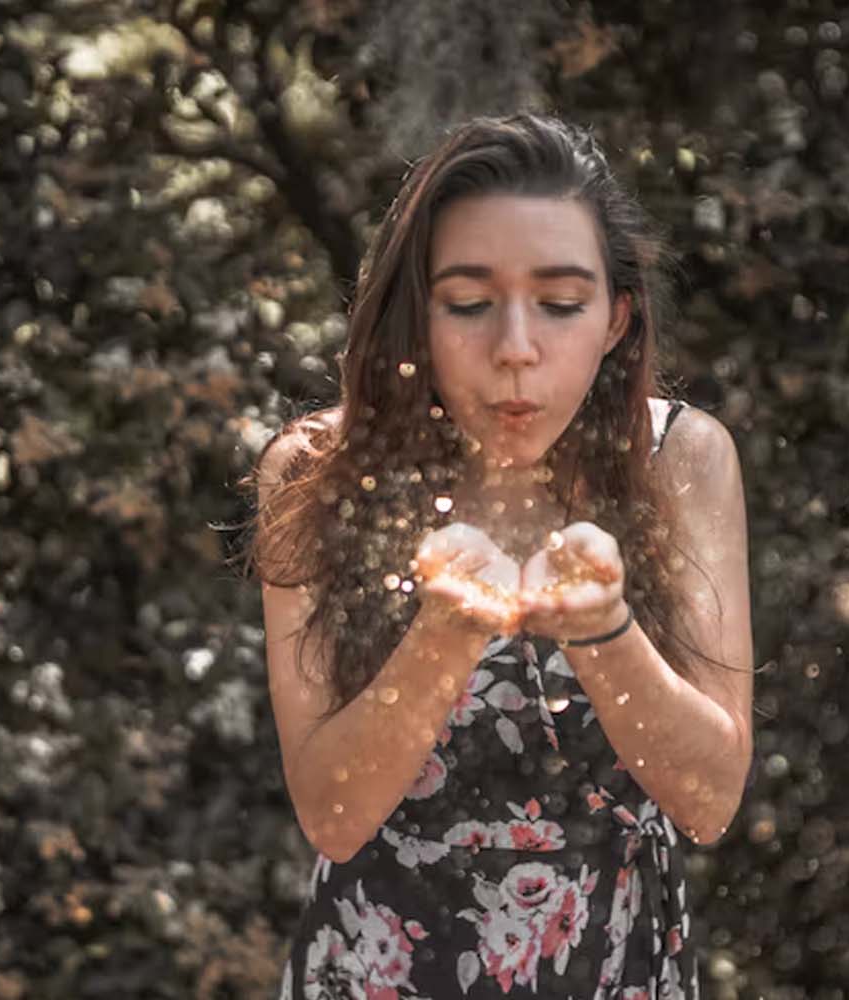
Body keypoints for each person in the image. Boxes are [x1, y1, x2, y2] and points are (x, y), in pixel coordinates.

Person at [240, 112, 752, 999]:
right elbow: (333, 813)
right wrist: (445, 629)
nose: (516, 349)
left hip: (618, 970)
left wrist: (604, 630)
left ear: (616, 319)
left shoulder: (681, 461)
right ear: (418, 317)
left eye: (560, 304)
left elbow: (709, 800)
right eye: (470, 304)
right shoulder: (316, 474)